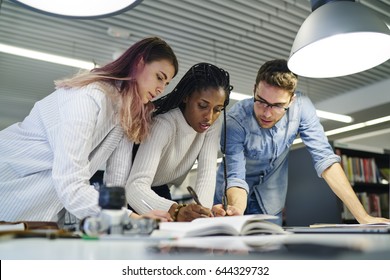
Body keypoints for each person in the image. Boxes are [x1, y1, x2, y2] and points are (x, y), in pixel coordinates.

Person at [0, 36, 178, 226]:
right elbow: (71, 184)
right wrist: (131, 219)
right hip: (10, 183)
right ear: (139, 62)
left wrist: (127, 223)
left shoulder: (125, 115)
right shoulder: (88, 98)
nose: (161, 88)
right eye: (160, 77)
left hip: (37, 211)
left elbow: (116, 186)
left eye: (166, 84)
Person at [213, 59, 390, 225]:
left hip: (270, 199)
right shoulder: (235, 120)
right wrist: (236, 211)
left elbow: (326, 160)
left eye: (277, 106)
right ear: (254, 90)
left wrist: (363, 216)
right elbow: (235, 177)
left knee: (268, 252)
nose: (267, 113)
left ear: (292, 99)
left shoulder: (302, 108)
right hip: (232, 198)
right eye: (262, 102)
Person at [126, 63, 232, 222]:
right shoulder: (164, 125)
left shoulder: (211, 125)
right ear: (186, 96)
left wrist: (201, 213)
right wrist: (177, 211)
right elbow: (135, 187)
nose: (209, 117)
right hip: (130, 191)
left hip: (159, 188)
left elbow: (207, 174)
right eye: (202, 105)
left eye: (218, 109)